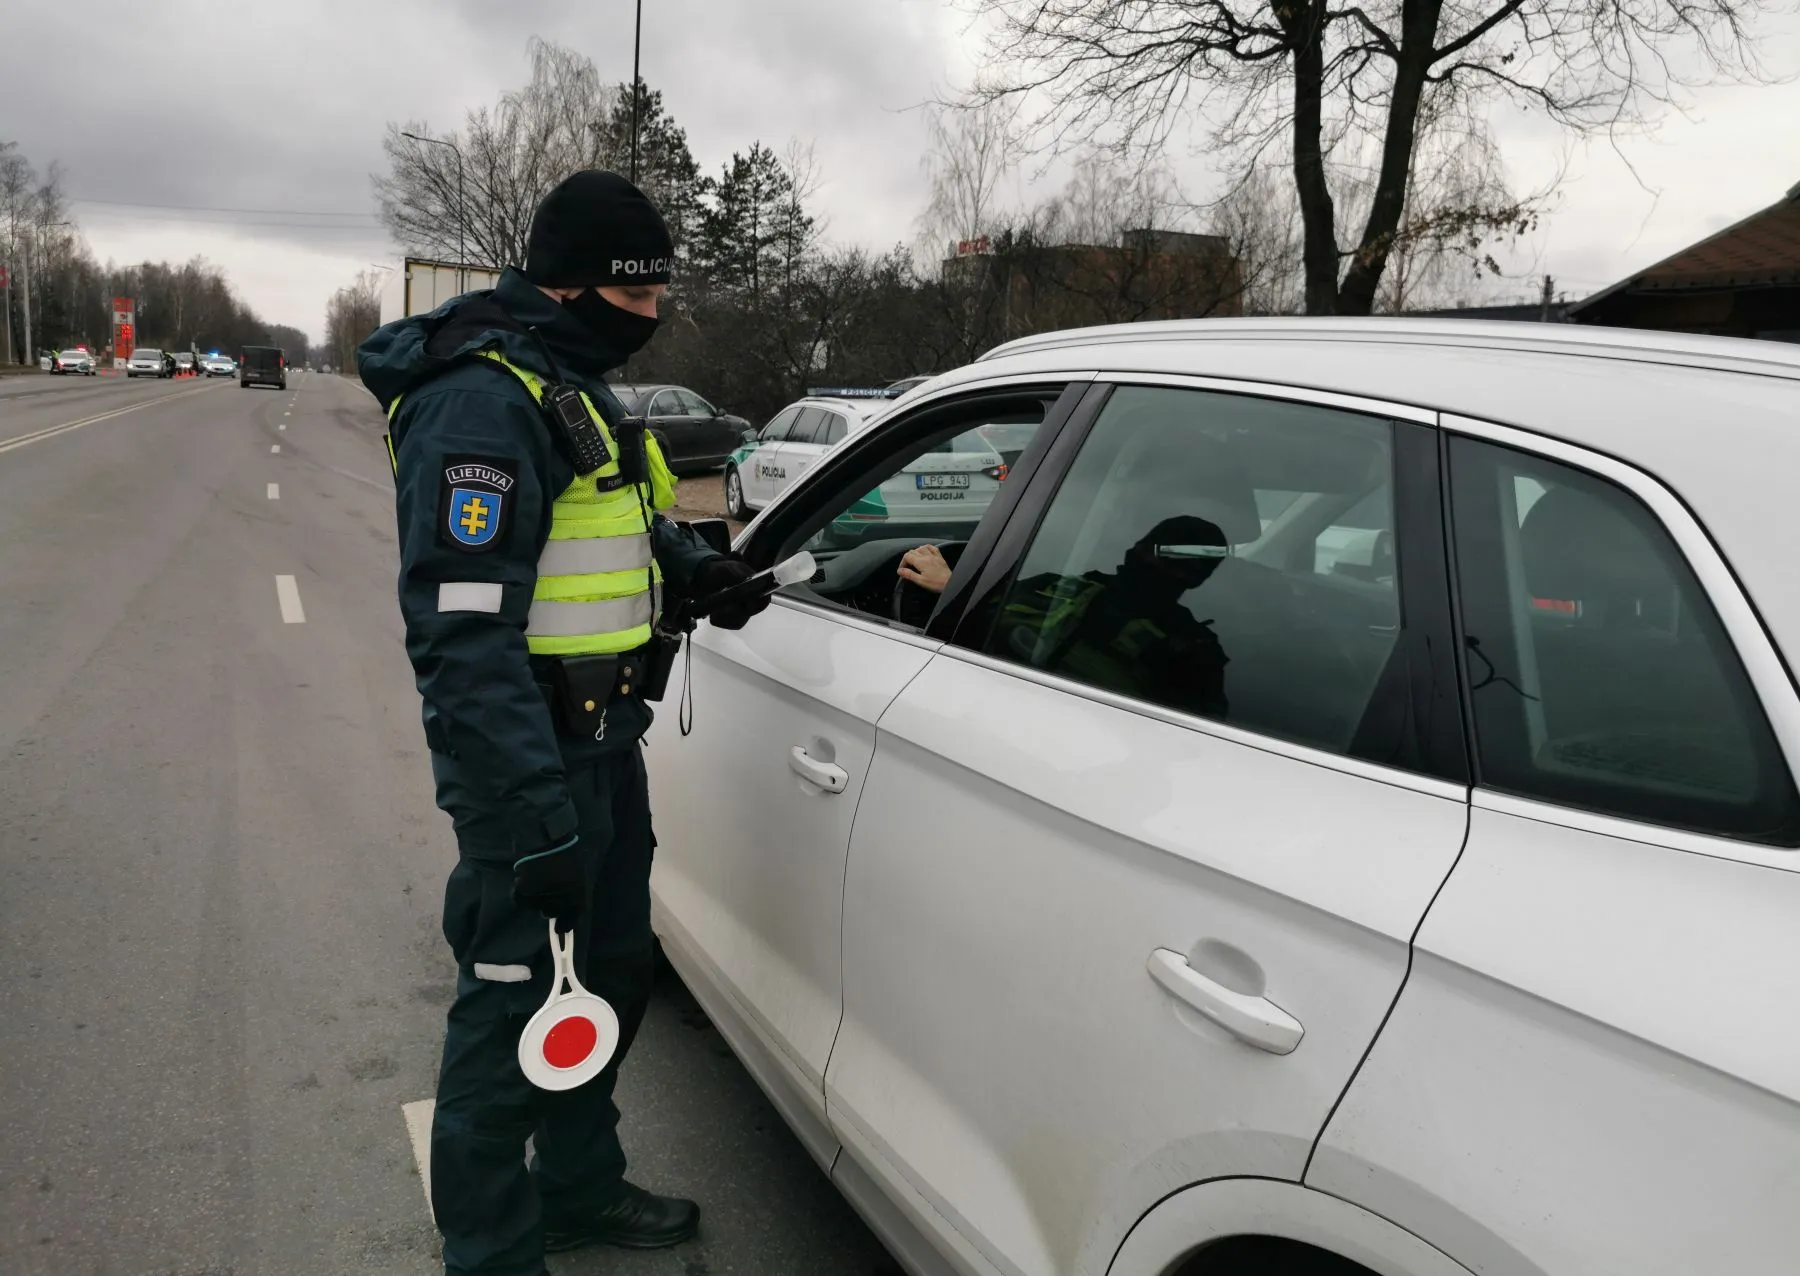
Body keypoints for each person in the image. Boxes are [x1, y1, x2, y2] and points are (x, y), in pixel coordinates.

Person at [357, 170, 769, 1276]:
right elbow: (464, 634)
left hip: (601, 750)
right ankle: (490, 1254)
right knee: (510, 1013)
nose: (651, 319)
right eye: (637, 297)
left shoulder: (571, 386)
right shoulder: (479, 403)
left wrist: (700, 571)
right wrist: (529, 812)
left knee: (612, 977)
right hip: (529, 768)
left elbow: (621, 531)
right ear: (573, 281)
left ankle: (579, 1188)